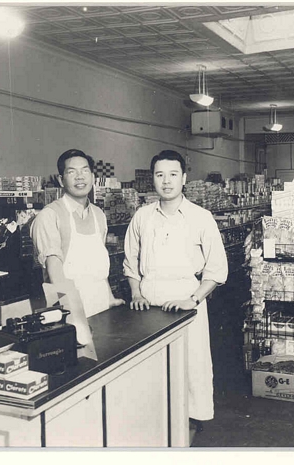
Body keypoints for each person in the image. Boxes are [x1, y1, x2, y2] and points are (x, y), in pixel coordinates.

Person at [123, 150, 228, 433]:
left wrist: (192, 299)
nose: (166, 181)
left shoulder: (201, 217)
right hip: (148, 302)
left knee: (190, 364)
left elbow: (217, 270)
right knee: (150, 366)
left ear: (184, 178)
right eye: (160, 175)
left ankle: (190, 421)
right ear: (152, 180)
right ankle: (154, 421)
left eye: (172, 175)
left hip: (187, 301)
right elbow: (130, 260)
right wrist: (136, 292)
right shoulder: (142, 217)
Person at [31, 149, 124, 318]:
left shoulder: (99, 215)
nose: (80, 177)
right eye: (71, 172)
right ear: (61, 180)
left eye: (85, 170)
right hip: (69, 311)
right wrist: (75, 317)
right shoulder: (50, 215)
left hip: (102, 309)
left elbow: (98, 265)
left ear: (93, 177)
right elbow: (55, 272)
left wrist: (110, 299)